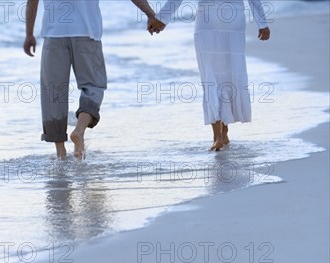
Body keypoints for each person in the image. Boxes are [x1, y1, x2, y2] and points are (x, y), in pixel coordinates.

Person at [24, 0, 164, 160]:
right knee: (94, 87)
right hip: (87, 33)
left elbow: (32, 2)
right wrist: (151, 15)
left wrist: (29, 34)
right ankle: (79, 130)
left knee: (53, 93)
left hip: (54, 34)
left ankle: (60, 153)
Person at [150, 0, 271, 151]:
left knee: (210, 75)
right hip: (233, 18)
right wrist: (262, 23)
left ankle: (217, 136)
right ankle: (224, 131)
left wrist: (161, 19)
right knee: (230, 72)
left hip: (208, 20)